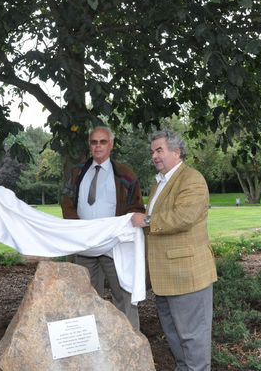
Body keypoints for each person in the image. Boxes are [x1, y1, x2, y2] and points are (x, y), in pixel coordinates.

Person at [131, 128, 218, 371]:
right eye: (152, 152)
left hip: (188, 277)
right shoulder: (158, 183)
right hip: (164, 278)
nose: (154, 156)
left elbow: (184, 217)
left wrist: (146, 221)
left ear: (176, 152)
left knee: (193, 344)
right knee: (176, 342)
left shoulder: (192, 179)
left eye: (160, 150)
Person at [61, 126, 144, 330]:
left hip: (114, 246)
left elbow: (136, 206)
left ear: (111, 145)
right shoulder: (77, 172)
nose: (98, 146)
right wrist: (78, 229)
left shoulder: (125, 174)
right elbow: (66, 201)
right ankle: (90, 344)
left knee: (124, 294)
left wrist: (123, 225)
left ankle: (130, 343)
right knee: (84, 296)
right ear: (89, 145)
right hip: (85, 246)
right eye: (94, 142)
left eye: (103, 142)